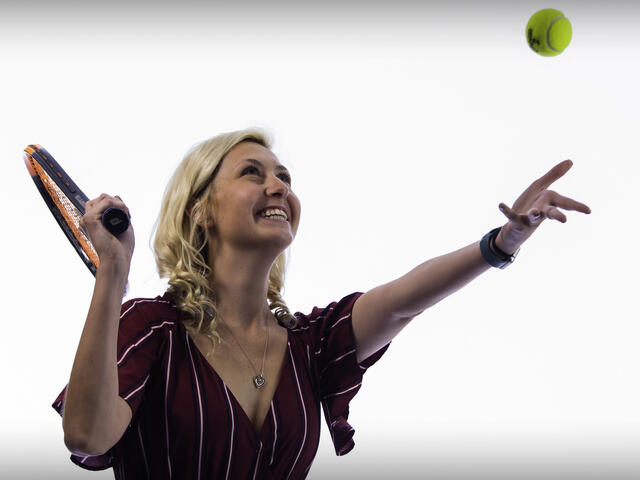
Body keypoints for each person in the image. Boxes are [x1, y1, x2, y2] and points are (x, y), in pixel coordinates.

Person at [53, 128, 591, 479]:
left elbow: (403, 301)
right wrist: (112, 278)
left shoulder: (310, 347)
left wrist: (502, 243)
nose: (278, 187)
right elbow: (87, 435)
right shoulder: (151, 328)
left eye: (284, 177)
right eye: (252, 173)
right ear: (201, 212)